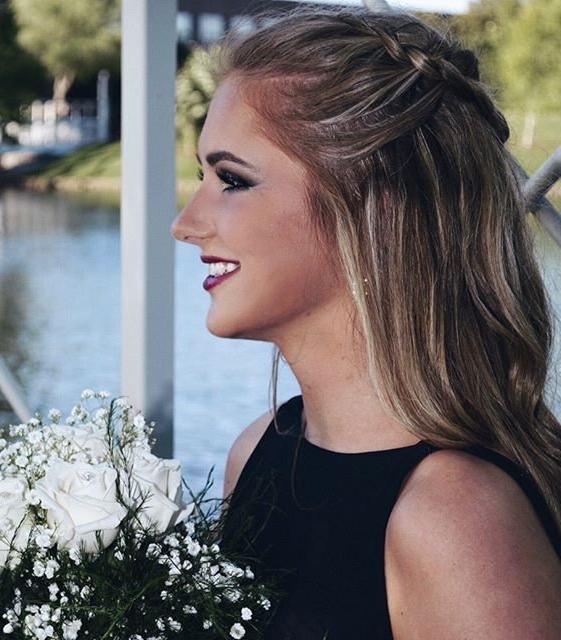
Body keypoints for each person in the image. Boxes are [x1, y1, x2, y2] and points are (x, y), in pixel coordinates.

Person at [171, 6, 561, 639]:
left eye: (232, 179)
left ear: (373, 207)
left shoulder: (456, 521)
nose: (185, 224)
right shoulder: (258, 454)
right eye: (202, 176)